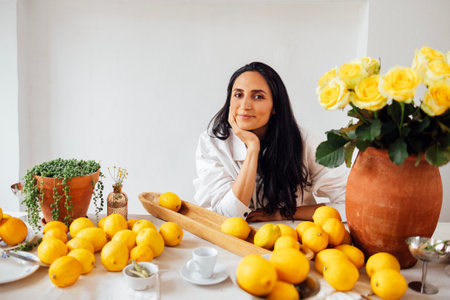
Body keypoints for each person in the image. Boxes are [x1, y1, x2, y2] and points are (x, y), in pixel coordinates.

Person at [193, 62, 349, 222]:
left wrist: (285, 213)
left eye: (258, 96)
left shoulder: (305, 141)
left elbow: (350, 206)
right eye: (238, 95)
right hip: (234, 243)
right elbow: (227, 217)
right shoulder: (213, 143)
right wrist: (253, 149)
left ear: (275, 106)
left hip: (294, 240)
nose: (245, 105)